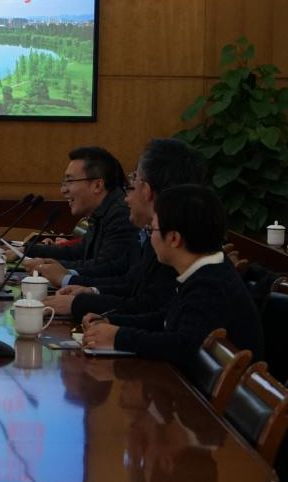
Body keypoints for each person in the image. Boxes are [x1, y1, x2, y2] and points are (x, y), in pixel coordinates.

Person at [82, 184, 264, 372]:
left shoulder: (211, 286)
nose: (150, 238)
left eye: (152, 230)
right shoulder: (204, 270)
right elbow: (165, 318)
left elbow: (182, 345)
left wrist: (119, 337)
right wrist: (111, 321)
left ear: (174, 239)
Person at [43, 139, 207, 320]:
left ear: (147, 190)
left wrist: (80, 303)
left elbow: (150, 307)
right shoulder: (157, 231)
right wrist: (91, 291)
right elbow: (132, 281)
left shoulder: (172, 240)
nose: (127, 196)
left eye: (134, 179)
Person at [17, 146, 135, 271]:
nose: (63, 190)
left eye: (70, 181)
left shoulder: (121, 214)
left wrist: (47, 266)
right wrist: (27, 250)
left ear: (97, 185)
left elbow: (106, 267)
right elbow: (79, 251)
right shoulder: (102, 211)